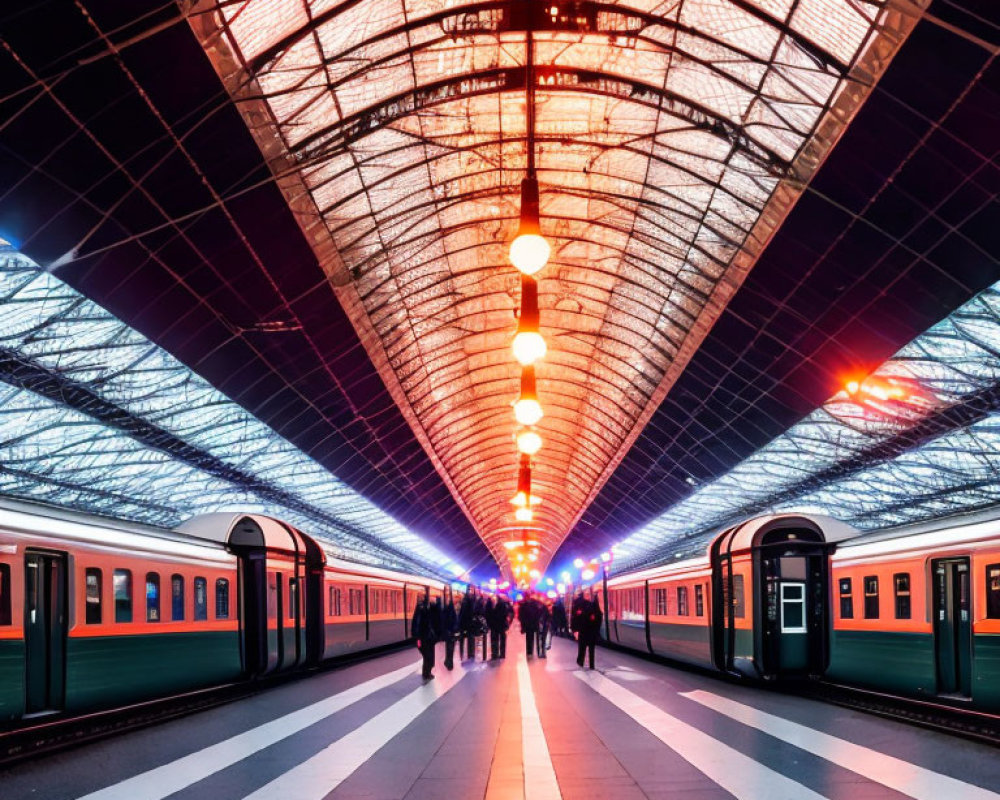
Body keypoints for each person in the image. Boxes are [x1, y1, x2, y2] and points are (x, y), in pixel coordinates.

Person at [411, 594, 440, 680]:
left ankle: (427, 672)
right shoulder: (422, 609)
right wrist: (417, 636)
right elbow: (418, 623)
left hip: (428, 637)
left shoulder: (427, 608)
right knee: (427, 655)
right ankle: (426, 673)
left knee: (428, 655)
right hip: (424, 637)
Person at [576, 592, 603, 670]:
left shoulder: (585, 607)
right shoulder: (597, 610)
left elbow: (581, 618)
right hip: (592, 633)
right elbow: (598, 621)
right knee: (591, 649)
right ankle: (592, 665)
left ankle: (580, 661)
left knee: (582, 647)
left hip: (584, 631)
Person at [518, 591, 541, 656]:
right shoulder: (528, 604)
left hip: (531, 623)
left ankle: (530, 651)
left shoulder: (527, 604)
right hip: (529, 623)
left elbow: (521, 615)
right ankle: (530, 651)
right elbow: (521, 615)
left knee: (530, 637)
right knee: (530, 637)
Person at [488, 594, 509, 659]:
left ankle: (501, 654)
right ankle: (495, 654)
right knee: (495, 639)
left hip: (500, 624)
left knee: (501, 639)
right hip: (494, 625)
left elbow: (505, 614)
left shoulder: (502, 603)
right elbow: (488, 613)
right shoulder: (490, 603)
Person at [458, 588, 477, 661]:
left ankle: (462, 655)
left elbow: (462, 614)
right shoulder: (470, 602)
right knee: (470, 639)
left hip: (464, 624)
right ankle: (470, 654)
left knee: (462, 640)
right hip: (469, 624)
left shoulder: (465, 602)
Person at [441, 596, 458, 670]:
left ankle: (448, 661)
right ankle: (449, 663)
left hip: (448, 633)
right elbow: (455, 622)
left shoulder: (445, 610)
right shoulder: (452, 611)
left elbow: (443, 622)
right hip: (451, 632)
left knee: (448, 648)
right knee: (451, 648)